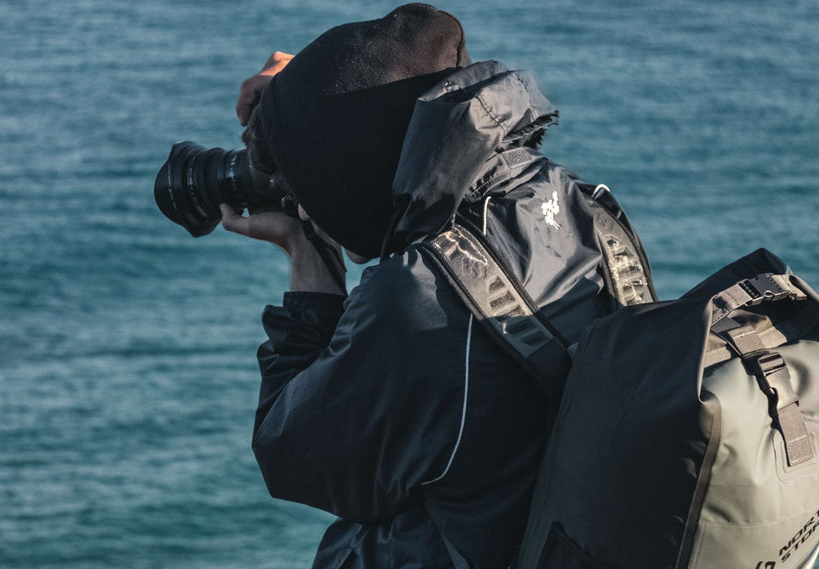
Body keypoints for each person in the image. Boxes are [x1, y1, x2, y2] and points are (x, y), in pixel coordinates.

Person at [221, 4, 647, 568]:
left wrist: (310, 262)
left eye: (306, 186)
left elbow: (291, 455)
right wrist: (317, 99)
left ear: (350, 173)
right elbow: (406, 111)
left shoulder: (419, 299)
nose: (298, 204)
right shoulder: (580, 208)